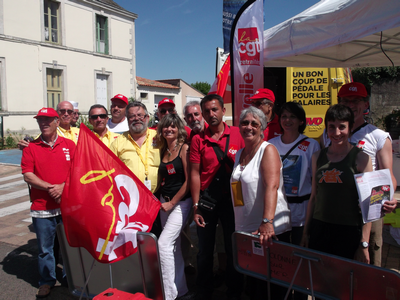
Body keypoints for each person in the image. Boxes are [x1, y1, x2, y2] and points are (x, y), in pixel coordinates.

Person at [325, 82, 397, 266]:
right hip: (336, 211)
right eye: (346, 100)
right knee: (338, 264)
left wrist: (386, 199)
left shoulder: (379, 136)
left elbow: (388, 177)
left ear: (366, 104)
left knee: (369, 266)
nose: (351, 104)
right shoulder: (328, 135)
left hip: (367, 212)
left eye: (356, 100)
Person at [230, 106, 291, 300]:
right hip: (247, 227)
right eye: (244, 123)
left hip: (268, 229)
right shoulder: (239, 154)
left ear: (262, 128)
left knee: (271, 285)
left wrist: (267, 222)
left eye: (254, 124)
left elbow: (271, 186)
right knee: (254, 281)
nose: (248, 127)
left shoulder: (268, 150)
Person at [301, 104, 373, 264]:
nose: (336, 133)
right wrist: (306, 232)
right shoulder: (317, 157)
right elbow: (314, 197)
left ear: (351, 127)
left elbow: (368, 204)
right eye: (331, 127)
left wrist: (364, 244)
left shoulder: (361, 159)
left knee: (345, 283)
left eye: (342, 127)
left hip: (348, 230)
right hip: (320, 228)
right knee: (320, 281)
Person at [190, 94, 244, 299]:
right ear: (202, 114)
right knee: (205, 249)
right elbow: (195, 173)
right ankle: (203, 289)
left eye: (215, 110)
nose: (211, 114)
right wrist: (196, 205)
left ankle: (235, 290)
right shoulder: (197, 139)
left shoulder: (239, 133)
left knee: (233, 247)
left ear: (223, 111)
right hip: (208, 201)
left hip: (234, 200)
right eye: (207, 111)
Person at [21, 107, 76, 298]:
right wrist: (51, 187)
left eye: (47, 120)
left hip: (66, 206)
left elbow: (77, 171)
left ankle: (72, 278)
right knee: (46, 249)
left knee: (70, 246)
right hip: (42, 209)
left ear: (57, 122)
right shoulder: (31, 148)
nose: (43, 123)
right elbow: (28, 175)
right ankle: (47, 281)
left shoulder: (69, 145)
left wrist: (63, 186)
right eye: (40, 120)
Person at [156, 114, 192, 300]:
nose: (169, 130)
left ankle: (169, 295)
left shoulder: (184, 148)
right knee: (173, 247)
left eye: (172, 127)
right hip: (164, 202)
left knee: (163, 245)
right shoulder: (163, 149)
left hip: (180, 204)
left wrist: (172, 202)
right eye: (165, 127)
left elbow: (189, 181)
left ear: (179, 129)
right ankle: (181, 289)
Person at [110, 102, 160, 193]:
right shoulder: (117, 142)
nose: (136, 119)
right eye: (132, 116)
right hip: (130, 198)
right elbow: (109, 169)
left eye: (140, 115)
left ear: (147, 118)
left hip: (157, 197)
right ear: (127, 120)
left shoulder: (159, 138)